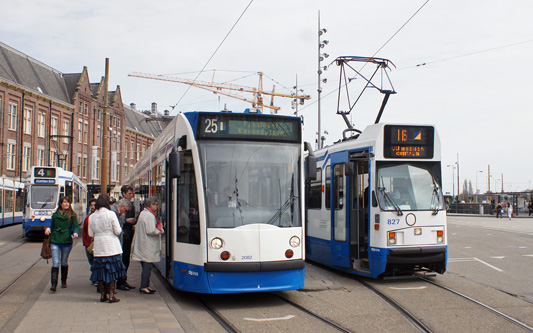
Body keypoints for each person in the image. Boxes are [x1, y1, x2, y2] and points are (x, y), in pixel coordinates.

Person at [88, 194, 127, 303]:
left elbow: (90, 233)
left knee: (100, 272)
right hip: (111, 247)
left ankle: (102, 295)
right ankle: (111, 295)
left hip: (99, 247)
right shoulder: (111, 214)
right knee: (112, 272)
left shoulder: (92, 216)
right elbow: (118, 231)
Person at [44, 196, 79, 292]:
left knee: (64, 262)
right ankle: (54, 284)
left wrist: (75, 233)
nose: (67, 204)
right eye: (64, 202)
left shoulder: (72, 215)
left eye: (68, 202)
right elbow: (52, 226)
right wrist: (48, 229)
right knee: (55, 262)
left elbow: (76, 226)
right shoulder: (55, 215)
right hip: (55, 240)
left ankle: (64, 281)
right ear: (60, 204)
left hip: (67, 241)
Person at [131, 197, 164, 294]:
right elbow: (151, 230)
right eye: (156, 204)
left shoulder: (143, 213)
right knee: (147, 267)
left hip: (143, 244)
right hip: (147, 245)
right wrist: (160, 230)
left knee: (146, 266)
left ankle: (146, 285)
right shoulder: (149, 216)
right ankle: (144, 286)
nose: (157, 207)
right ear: (151, 205)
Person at [110, 197, 134, 290]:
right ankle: (118, 283)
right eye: (125, 211)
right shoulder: (114, 212)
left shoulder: (114, 210)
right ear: (122, 207)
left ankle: (121, 281)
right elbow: (118, 227)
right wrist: (124, 217)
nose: (125, 213)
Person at [118, 185, 137, 290]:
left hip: (129, 234)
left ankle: (123, 279)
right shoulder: (120, 205)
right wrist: (126, 221)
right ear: (124, 194)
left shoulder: (131, 205)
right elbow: (118, 220)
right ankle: (120, 280)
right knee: (123, 258)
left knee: (126, 258)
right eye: (129, 193)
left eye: (131, 193)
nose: (131, 195)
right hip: (124, 235)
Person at [82, 198, 97, 283]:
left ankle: (95, 278)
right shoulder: (87, 218)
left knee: (95, 261)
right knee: (91, 260)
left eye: (94, 205)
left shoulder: (98, 217)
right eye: (91, 205)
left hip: (97, 243)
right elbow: (84, 230)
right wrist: (85, 242)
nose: (92, 207)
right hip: (89, 243)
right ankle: (94, 277)